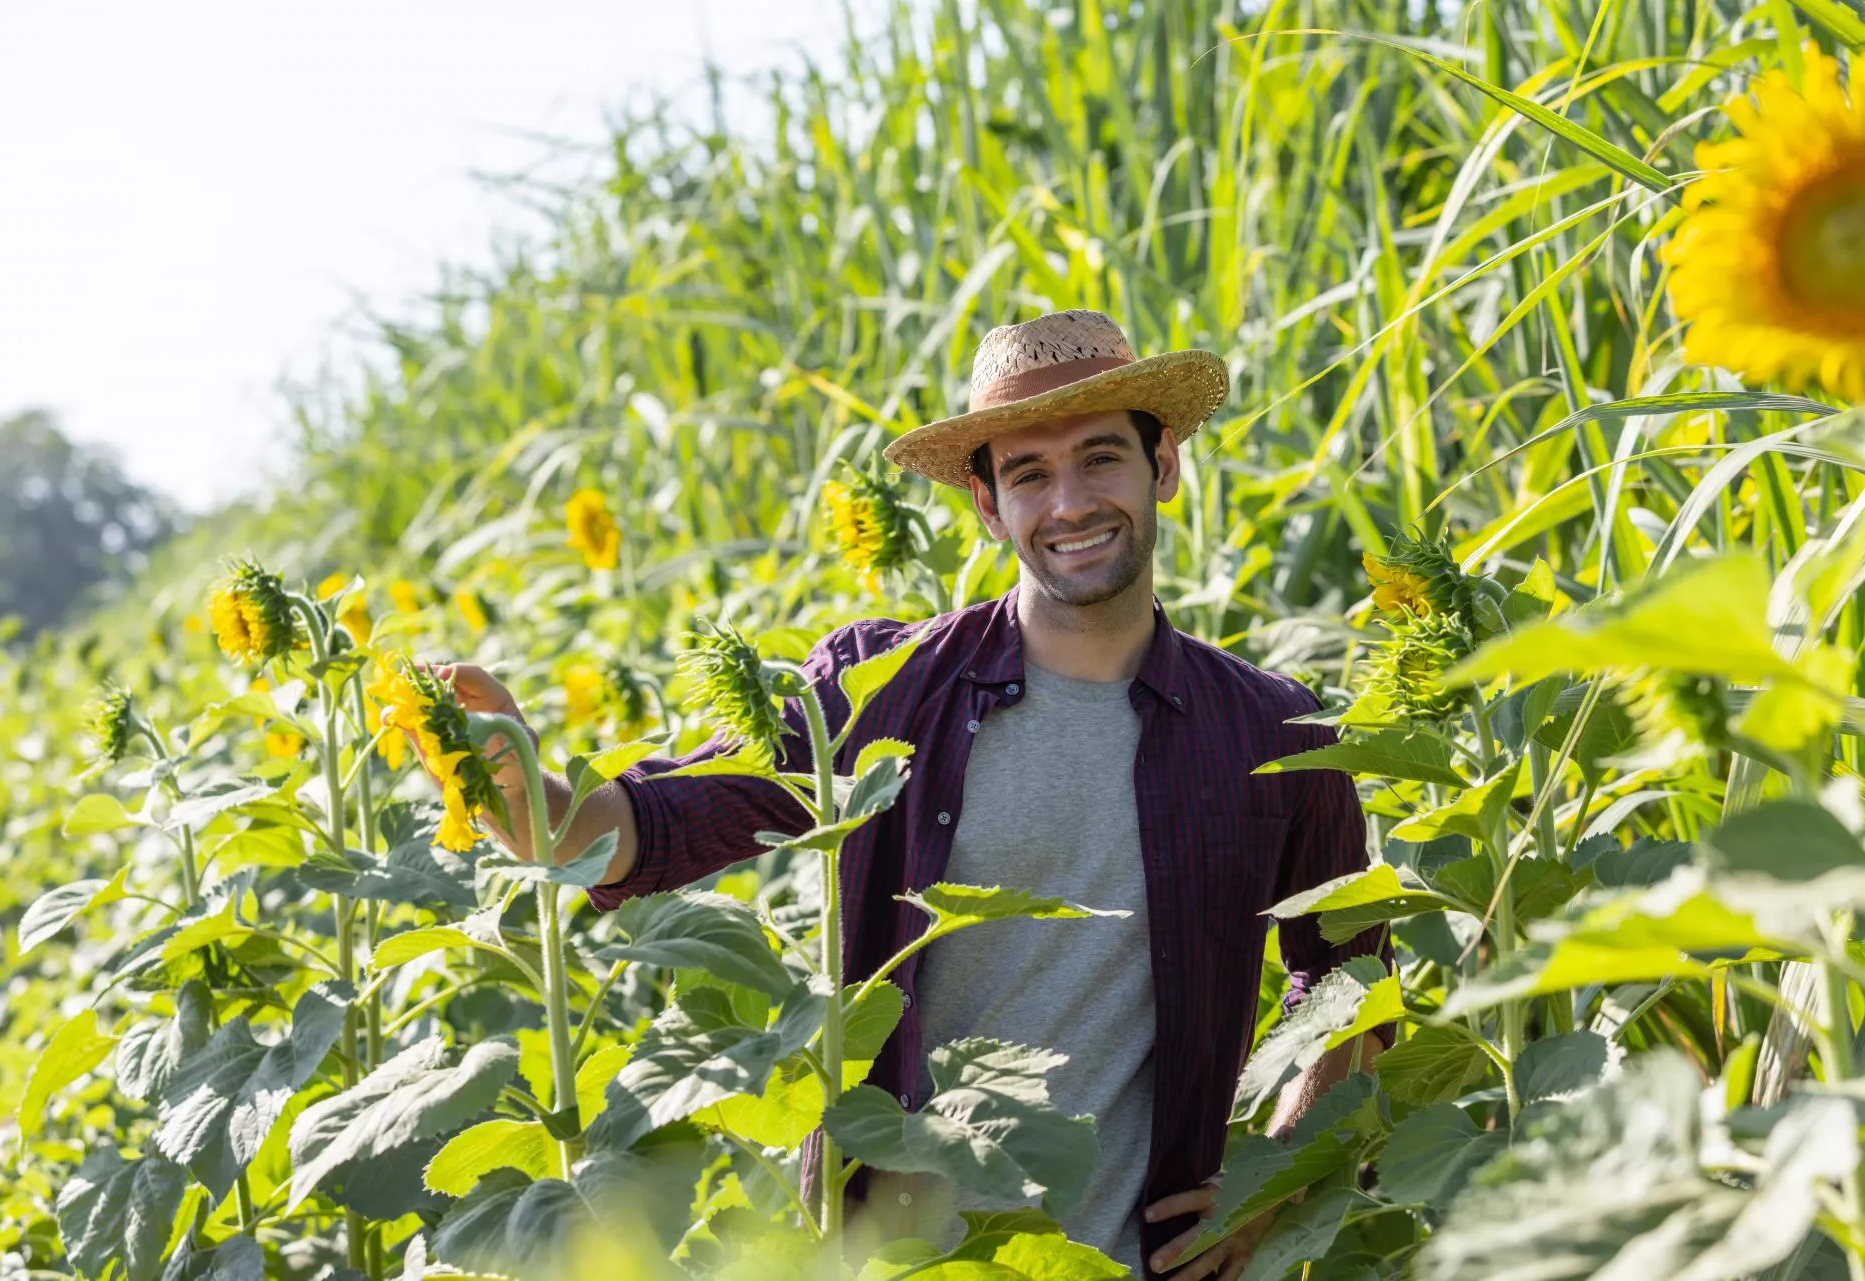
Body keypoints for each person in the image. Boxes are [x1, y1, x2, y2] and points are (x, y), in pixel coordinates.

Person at [436, 309, 1392, 1279]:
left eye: (1102, 458)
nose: (1069, 503)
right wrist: (520, 790)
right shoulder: (884, 687)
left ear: (1166, 467)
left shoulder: (1272, 733)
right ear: (987, 506)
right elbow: (654, 826)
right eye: (1028, 473)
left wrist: (1281, 1169)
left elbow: (1353, 980)